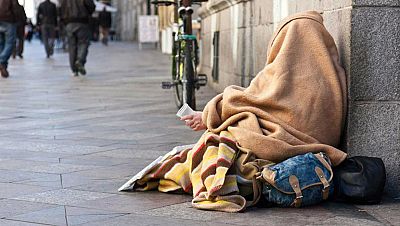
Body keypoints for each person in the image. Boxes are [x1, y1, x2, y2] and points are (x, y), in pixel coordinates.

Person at [126, 11, 348, 212]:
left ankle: (217, 178)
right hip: (313, 148)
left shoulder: (280, 71)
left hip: (278, 144)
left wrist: (208, 115)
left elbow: (246, 99)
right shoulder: (333, 77)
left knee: (217, 141)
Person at [59, 0, 95, 77]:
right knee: (83, 42)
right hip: (82, 21)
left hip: (69, 23)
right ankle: (80, 60)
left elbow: (60, 8)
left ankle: (74, 69)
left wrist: (63, 20)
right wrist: (88, 13)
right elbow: (91, 6)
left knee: (72, 46)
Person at [0, 0, 19, 78]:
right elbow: (15, 8)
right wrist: (17, 19)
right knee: (10, 43)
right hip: (8, 20)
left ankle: (3, 66)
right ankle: (1, 61)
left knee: (1, 43)